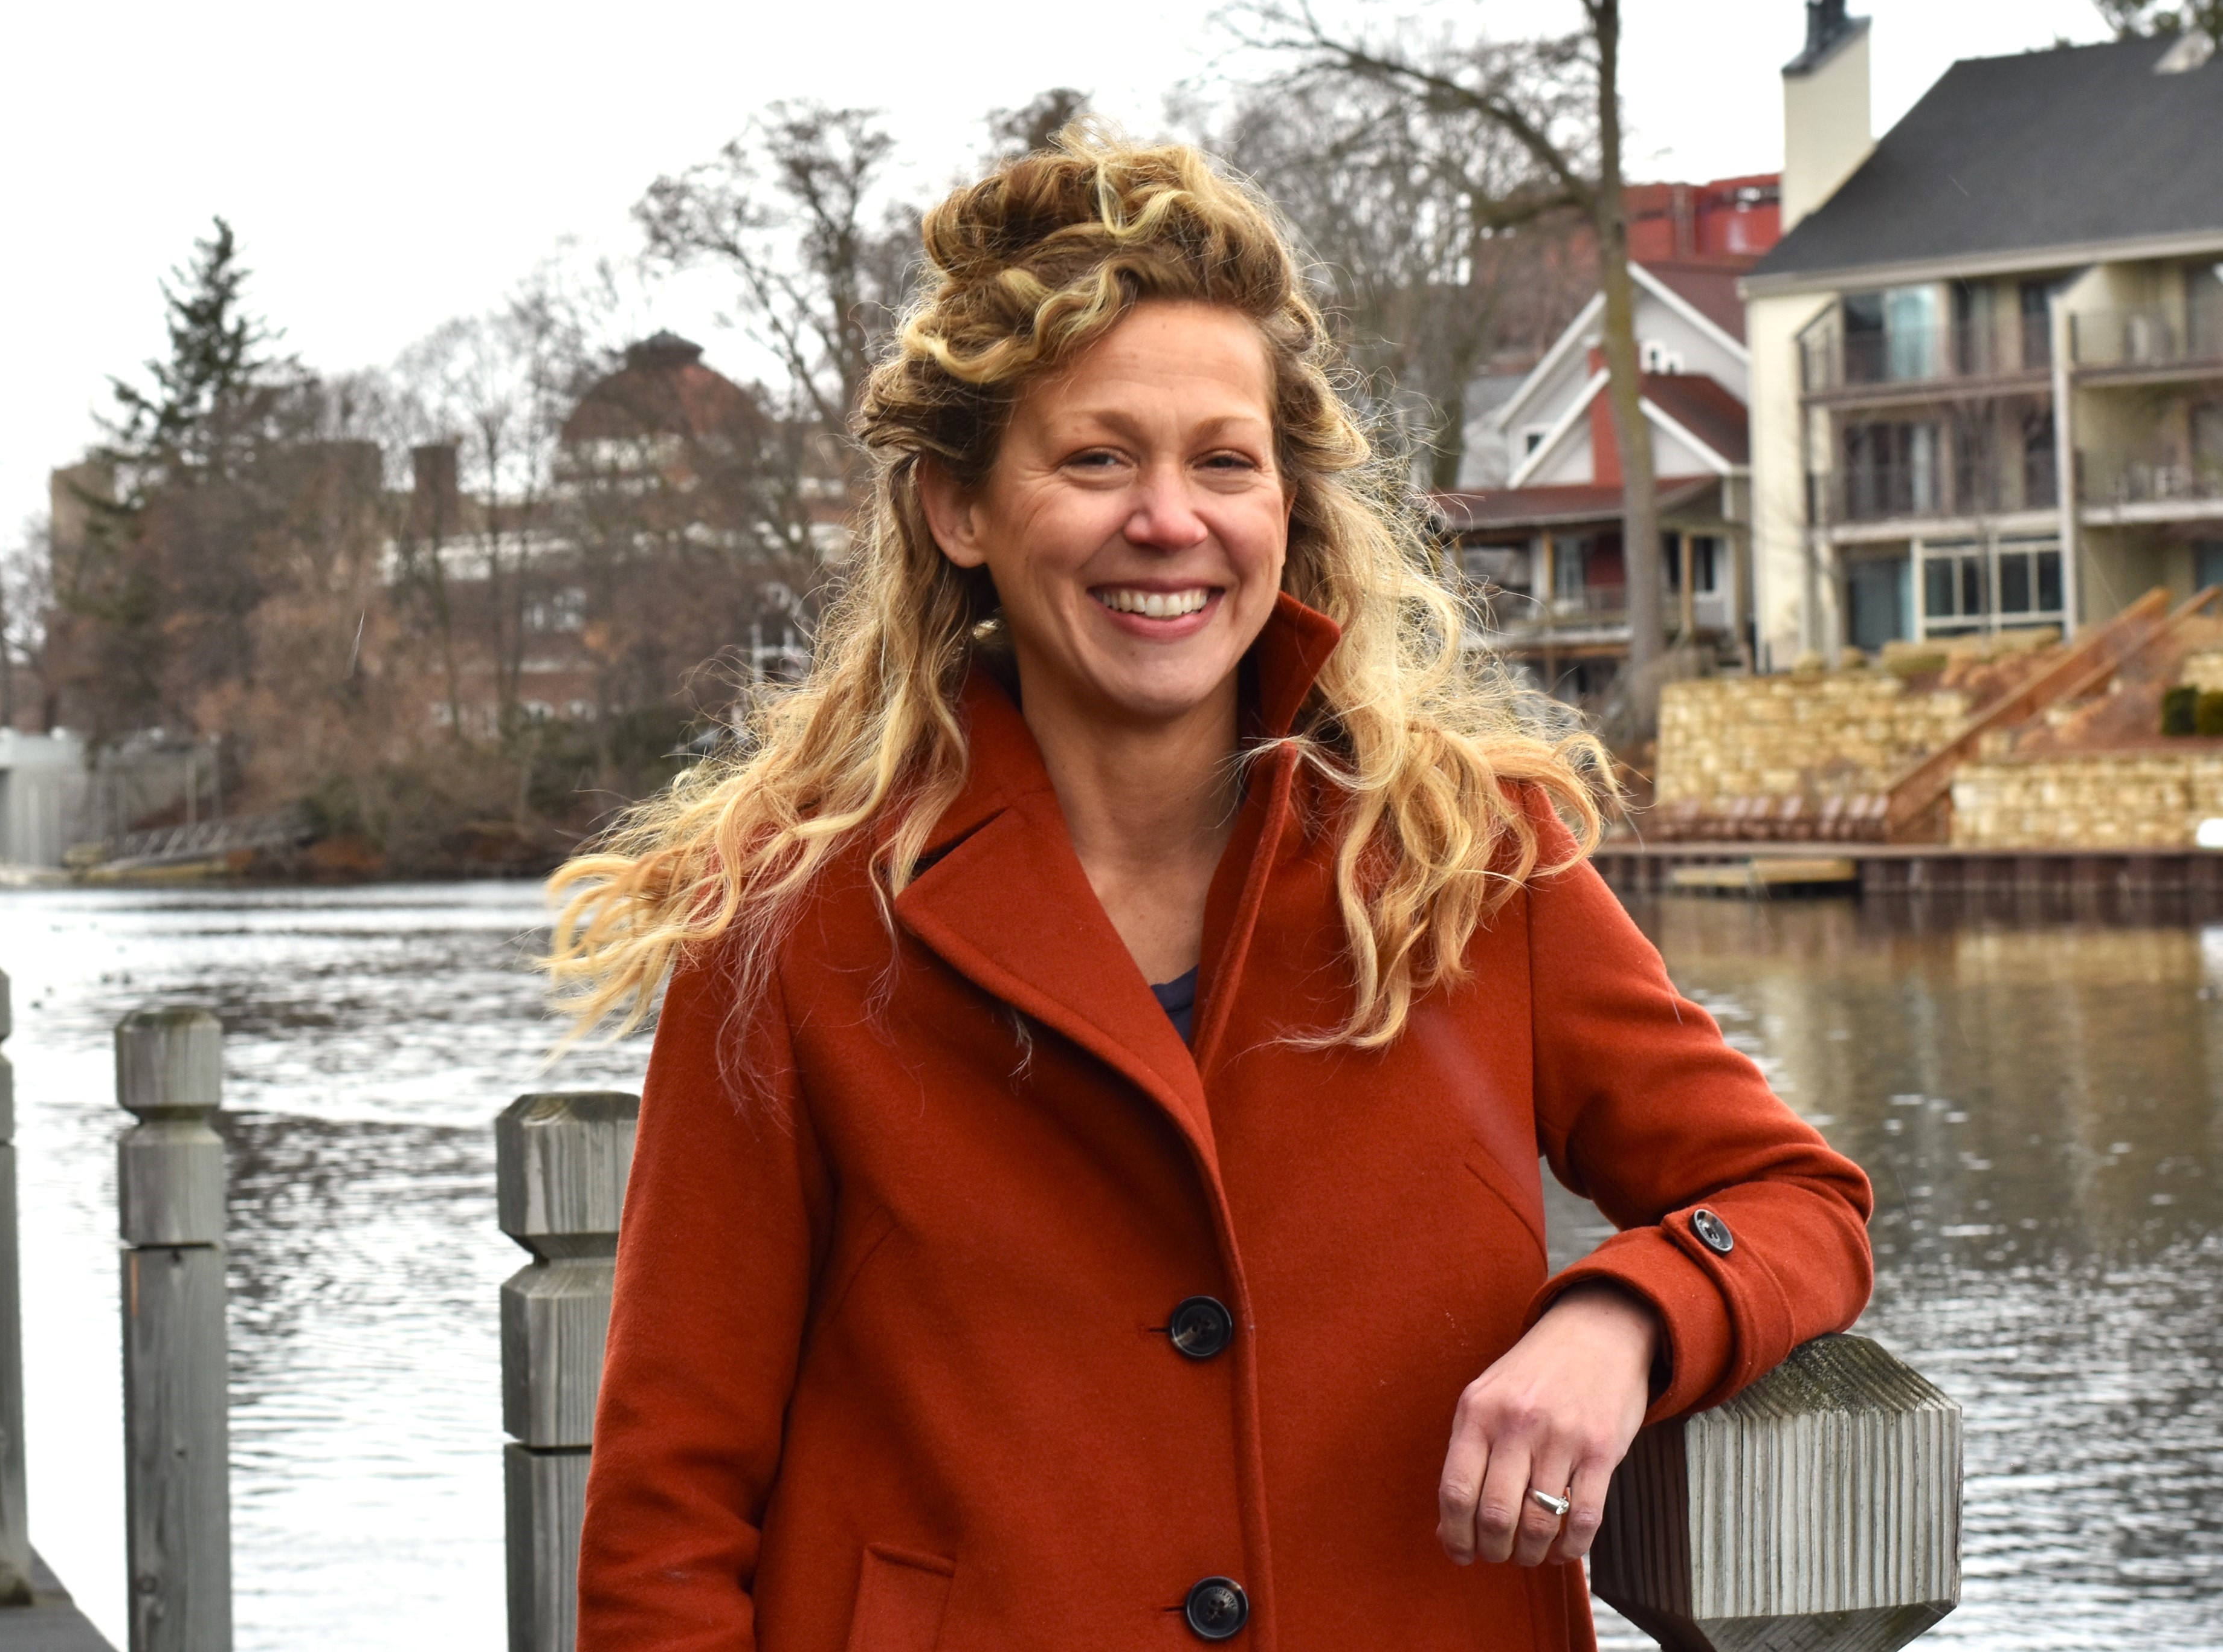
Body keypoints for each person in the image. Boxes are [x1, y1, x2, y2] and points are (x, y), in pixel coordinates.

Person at [544, 133, 1873, 1651]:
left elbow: (1796, 1202)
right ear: (958, 511)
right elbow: (667, 1510)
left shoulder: (1464, 860)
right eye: (1096, 458)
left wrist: (1623, 1316)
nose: (1168, 522)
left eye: (1223, 462)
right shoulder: (793, 918)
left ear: (1285, 508)